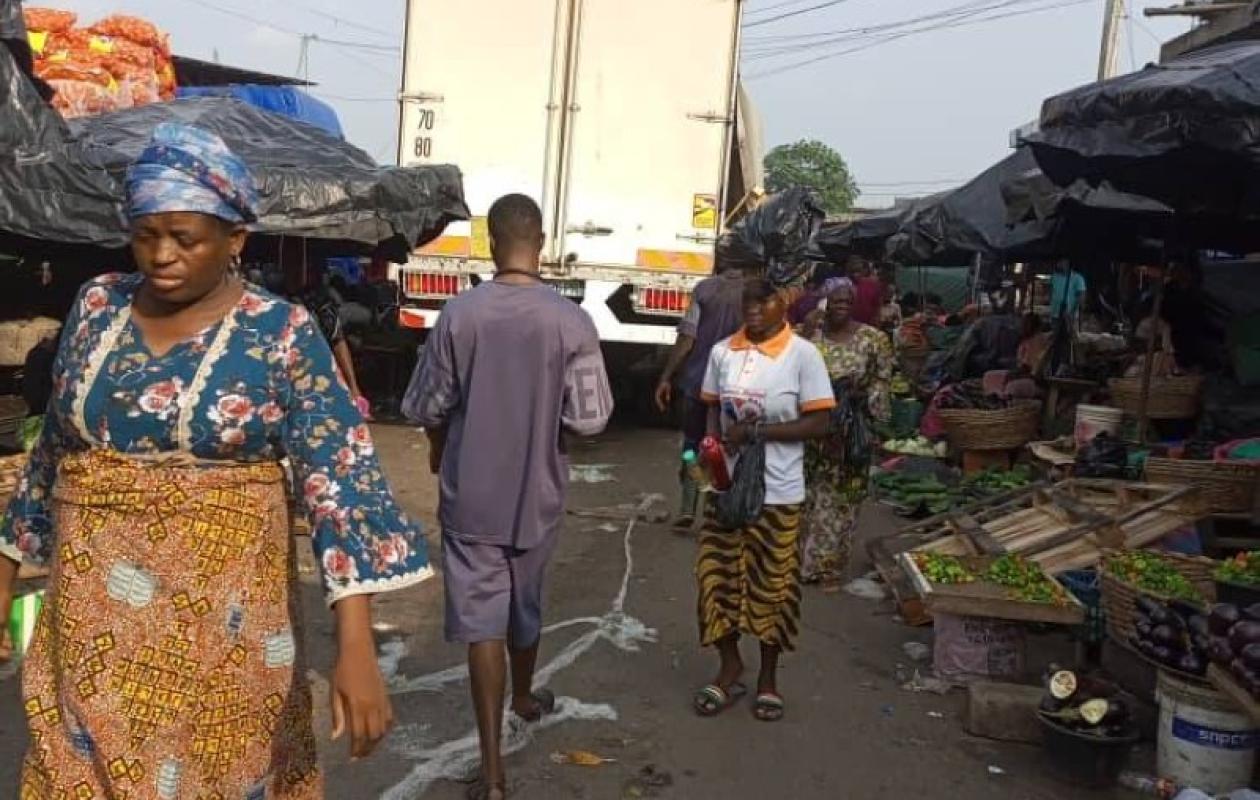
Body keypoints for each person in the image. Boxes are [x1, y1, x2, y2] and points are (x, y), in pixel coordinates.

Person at [0, 123, 433, 798]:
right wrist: (3, 575)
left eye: (185, 237)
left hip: (221, 636)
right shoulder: (97, 307)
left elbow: (341, 486)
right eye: (147, 234)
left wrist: (356, 647)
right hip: (90, 629)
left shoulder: (281, 334)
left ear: (235, 239)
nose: (162, 255)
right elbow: (51, 453)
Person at [403, 194, 612, 800]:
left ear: (490, 243)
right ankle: (523, 695)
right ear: (541, 241)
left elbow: (424, 405)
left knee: (482, 628)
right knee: (526, 604)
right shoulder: (570, 321)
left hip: (472, 492)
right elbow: (592, 419)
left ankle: (492, 774)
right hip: (538, 495)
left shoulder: (459, 315)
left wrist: (442, 449)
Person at [693, 277, 834, 723]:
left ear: (783, 304)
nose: (754, 309)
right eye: (749, 301)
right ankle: (730, 665)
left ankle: (768, 678)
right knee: (715, 580)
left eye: (765, 301)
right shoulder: (722, 352)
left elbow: (820, 424)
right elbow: (713, 407)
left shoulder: (803, 355)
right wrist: (712, 442)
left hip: (779, 494)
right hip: (727, 487)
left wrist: (757, 432)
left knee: (771, 587)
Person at [797, 279, 892, 590]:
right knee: (805, 497)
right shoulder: (807, 337)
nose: (841, 306)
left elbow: (881, 381)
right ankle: (799, 563)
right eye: (834, 300)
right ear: (822, 302)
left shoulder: (872, 339)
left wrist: (863, 408)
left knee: (842, 503)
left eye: (847, 301)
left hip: (850, 433)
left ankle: (828, 569)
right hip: (810, 431)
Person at [654, 260, 748, 530]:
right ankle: (713, 507)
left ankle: (687, 504)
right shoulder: (756, 294)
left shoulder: (705, 289)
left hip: (696, 382)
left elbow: (687, 336)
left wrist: (666, 376)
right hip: (736, 386)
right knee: (725, 446)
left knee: (691, 446)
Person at [849, 257, 884, 326]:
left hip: (869, 323)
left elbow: (878, 304)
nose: (855, 274)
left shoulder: (873, 284)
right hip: (851, 322)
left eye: (858, 271)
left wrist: (877, 319)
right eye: (853, 272)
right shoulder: (846, 284)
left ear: (864, 271)